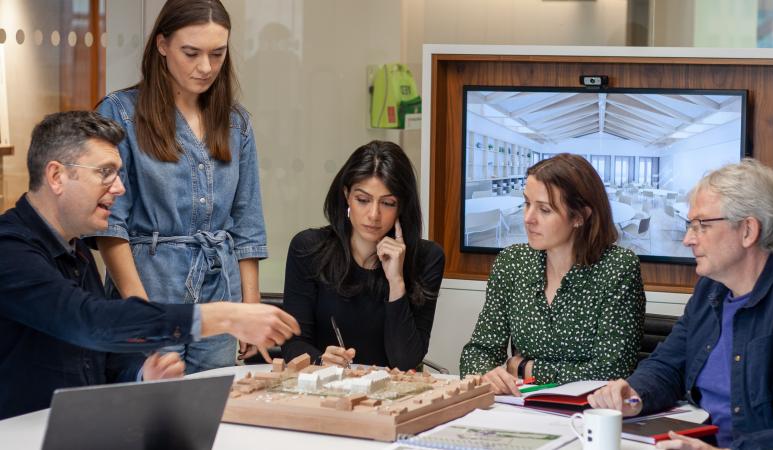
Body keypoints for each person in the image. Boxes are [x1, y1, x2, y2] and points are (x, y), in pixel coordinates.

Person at [0, 111, 300, 420]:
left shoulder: (75, 249)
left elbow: (104, 362)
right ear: (56, 176)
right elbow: (90, 322)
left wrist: (143, 374)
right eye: (105, 172)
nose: (119, 188)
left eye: (118, 174)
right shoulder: (9, 249)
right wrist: (224, 316)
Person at [92, 0, 268, 373]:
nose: (206, 67)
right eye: (192, 53)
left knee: (213, 409)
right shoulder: (121, 113)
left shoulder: (237, 123)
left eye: (217, 54)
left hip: (219, 293)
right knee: (145, 413)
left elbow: (247, 224)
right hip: (150, 288)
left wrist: (249, 311)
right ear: (162, 45)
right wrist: (140, 313)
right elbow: (111, 227)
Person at [588, 159, 773, 450]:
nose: (688, 239)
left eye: (701, 225)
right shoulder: (709, 291)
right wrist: (633, 395)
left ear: (748, 231)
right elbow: (668, 365)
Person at [460, 153, 646, 394]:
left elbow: (612, 371)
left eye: (544, 210)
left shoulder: (618, 268)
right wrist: (487, 373)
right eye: (527, 203)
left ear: (579, 216)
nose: (528, 219)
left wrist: (527, 368)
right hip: (521, 409)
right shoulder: (513, 262)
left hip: (588, 412)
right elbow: (479, 350)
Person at [280, 140, 444, 370]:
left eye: (387, 203)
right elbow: (293, 344)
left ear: (402, 206)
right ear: (347, 195)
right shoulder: (308, 248)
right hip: (324, 391)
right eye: (363, 200)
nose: (374, 215)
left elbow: (406, 361)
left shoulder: (427, 258)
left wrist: (396, 282)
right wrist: (320, 360)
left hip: (392, 396)